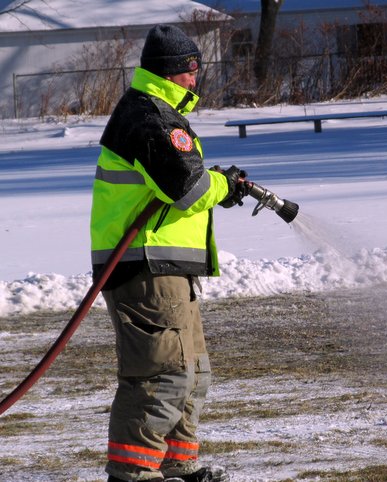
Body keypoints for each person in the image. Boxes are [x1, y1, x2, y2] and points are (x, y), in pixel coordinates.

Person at [90, 24, 247, 482]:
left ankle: (177, 463)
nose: (195, 79)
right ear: (169, 72)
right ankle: (132, 473)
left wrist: (218, 184)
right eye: (189, 71)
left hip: (166, 266)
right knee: (160, 375)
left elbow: (179, 182)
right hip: (144, 268)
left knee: (192, 372)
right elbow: (187, 188)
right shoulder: (149, 117)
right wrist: (224, 185)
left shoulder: (159, 113)